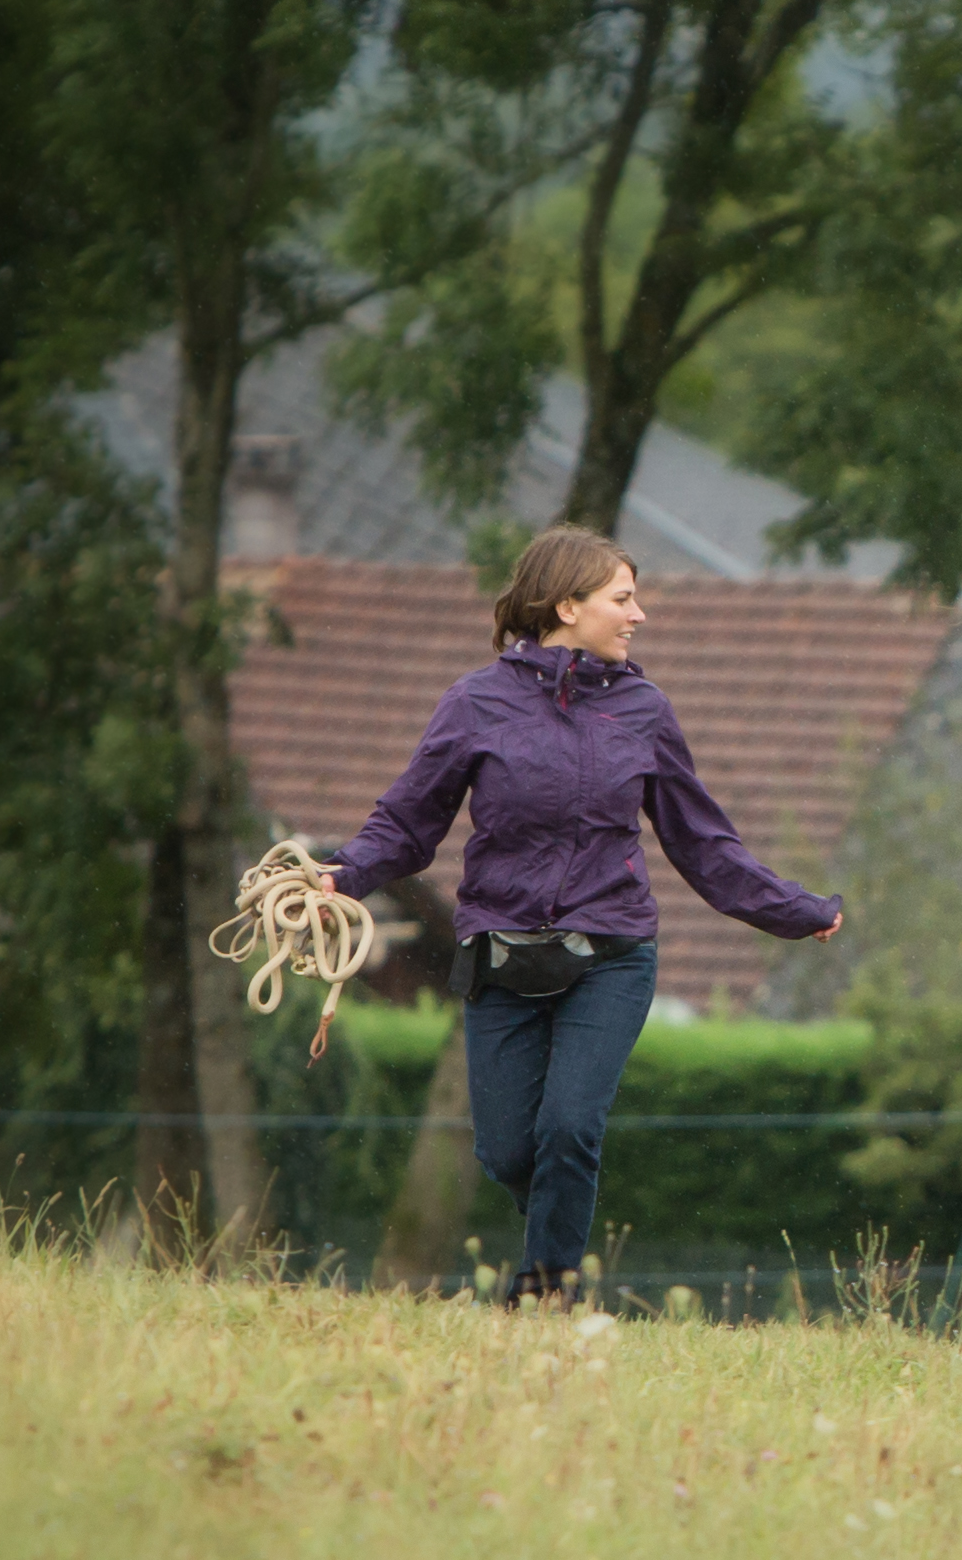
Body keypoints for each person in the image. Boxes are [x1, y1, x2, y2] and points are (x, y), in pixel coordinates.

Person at [328, 523, 844, 1303]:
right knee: (507, 1150)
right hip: (502, 957)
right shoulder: (474, 704)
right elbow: (407, 824)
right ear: (567, 605)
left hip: (612, 954)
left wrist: (794, 910)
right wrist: (341, 875)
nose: (639, 615)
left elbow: (704, 843)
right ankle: (551, 1265)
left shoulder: (644, 710)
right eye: (623, 598)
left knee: (570, 1127)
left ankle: (544, 1292)